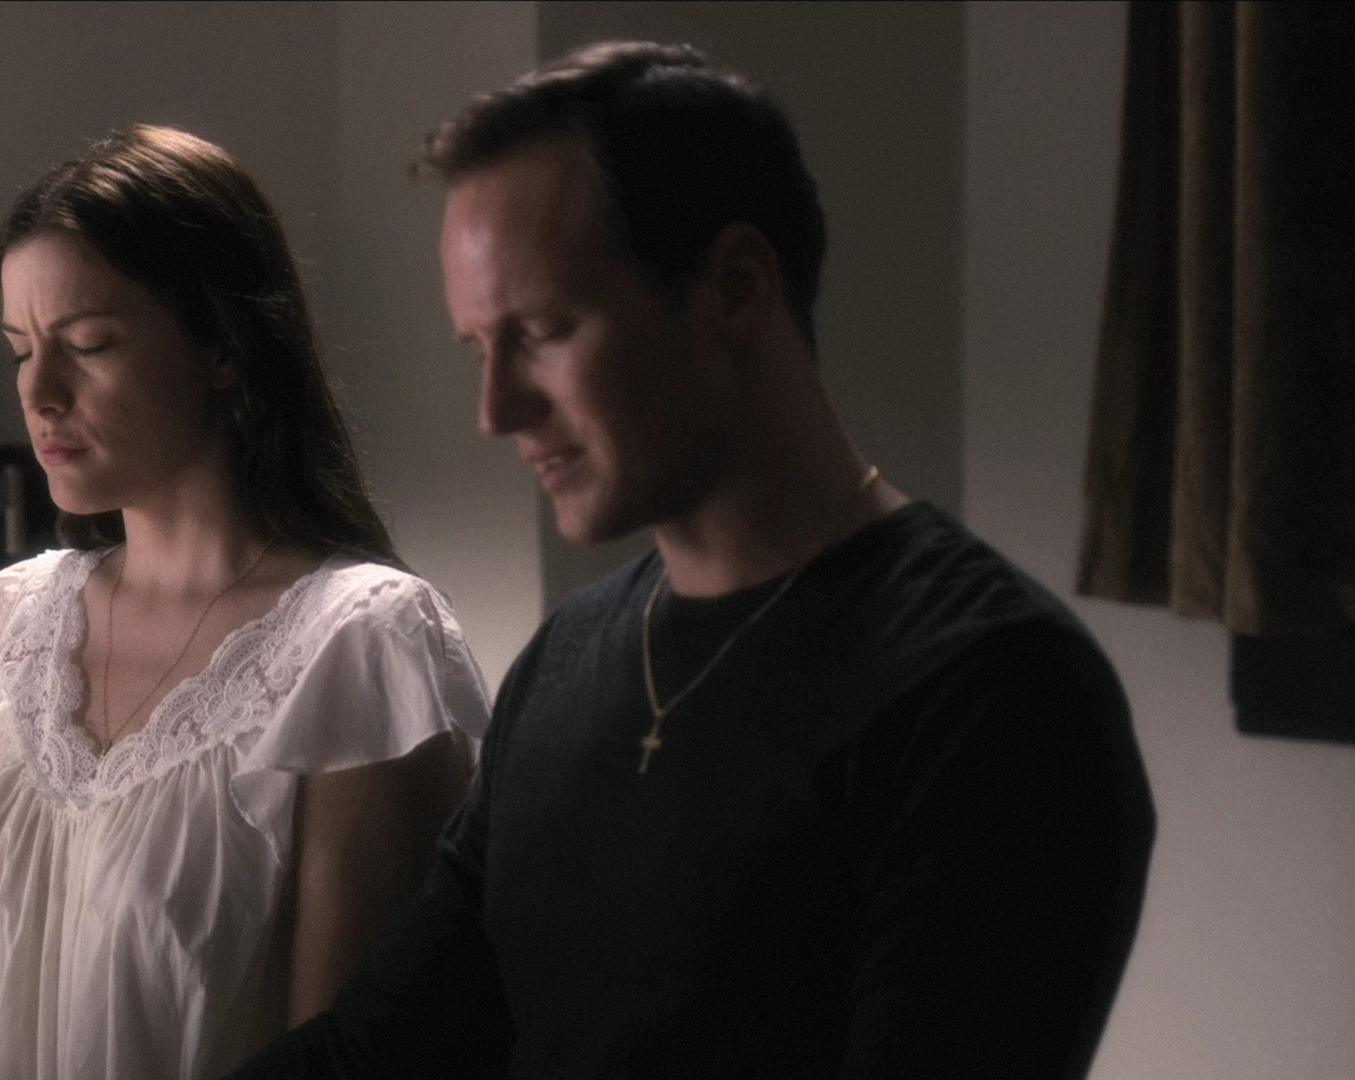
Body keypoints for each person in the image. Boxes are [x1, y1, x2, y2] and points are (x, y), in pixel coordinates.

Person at [226, 41, 1156, 1080]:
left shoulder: (991, 689)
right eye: (480, 349)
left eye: (543, 331)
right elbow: (379, 1051)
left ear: (736, 289)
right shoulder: (567, 663)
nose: (498, 410)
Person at [0, 125, 488, 1080]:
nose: (40, 393)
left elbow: (345, 1060)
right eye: (20, 350)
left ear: (224, 346)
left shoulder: (362, 648)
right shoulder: (7, 630)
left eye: (89, 344)